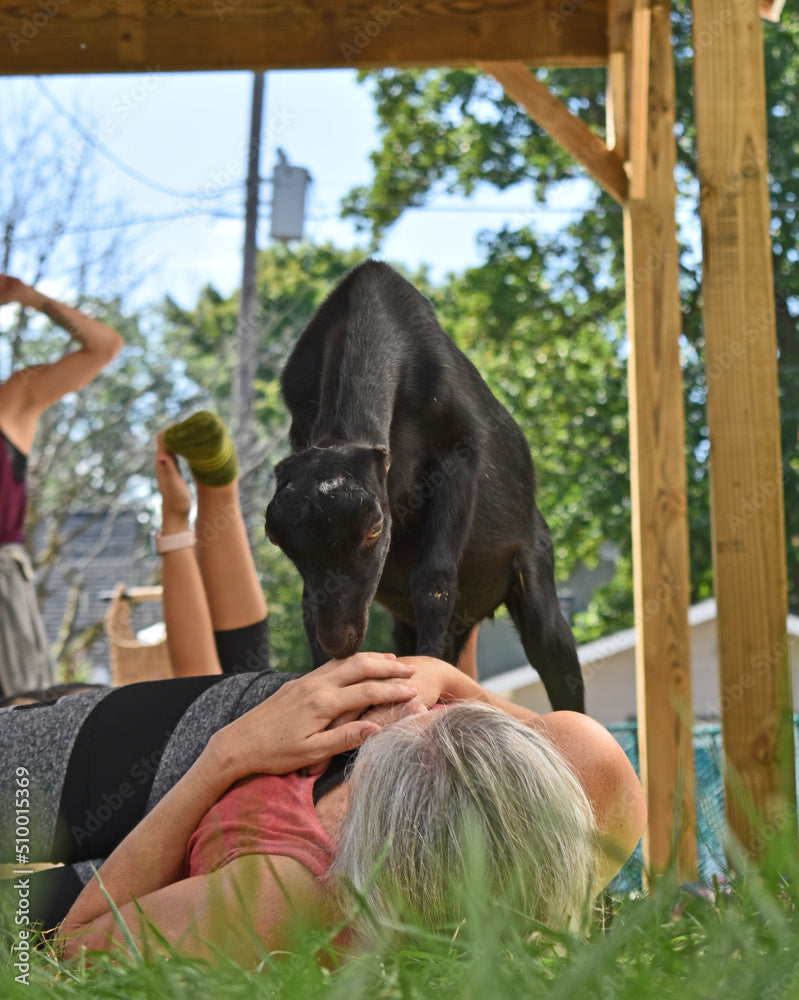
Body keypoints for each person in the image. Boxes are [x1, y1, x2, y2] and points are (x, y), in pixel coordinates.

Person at [0, 414, 647, 965]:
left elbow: (76, 949)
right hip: (180, 734)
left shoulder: (284, 898)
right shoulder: (590, 773)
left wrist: (227, 756)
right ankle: (211, 506)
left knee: (20, 924)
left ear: (381, 833)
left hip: (176, 809)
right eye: (442, 714)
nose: (403, 709)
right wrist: (442, 677)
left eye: (386, 738)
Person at [0, 275, 123, 697]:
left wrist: (31, 299)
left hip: (4, 613)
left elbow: (103, 346)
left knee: (20, 724)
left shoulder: (11, 400)